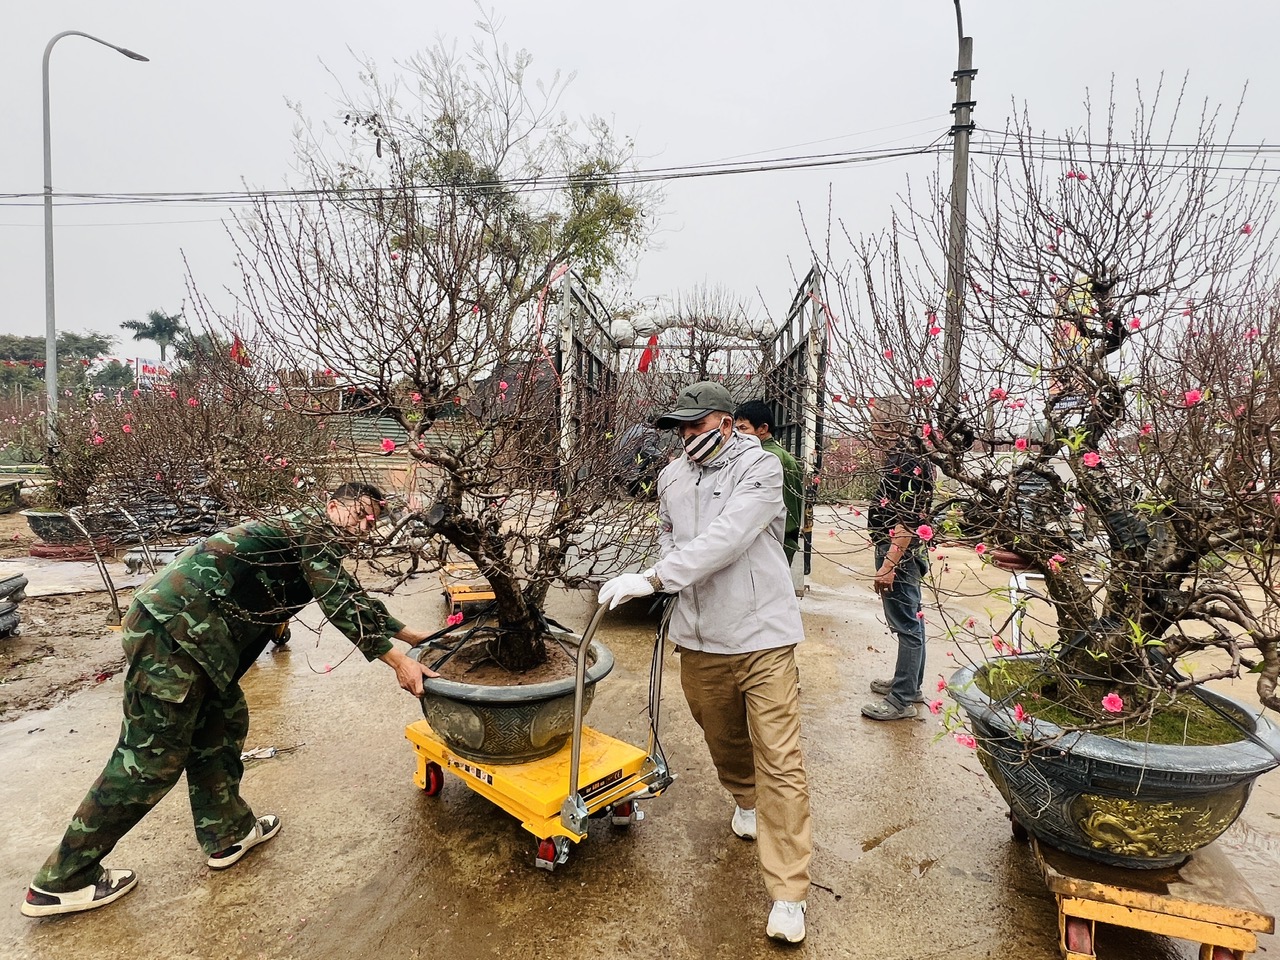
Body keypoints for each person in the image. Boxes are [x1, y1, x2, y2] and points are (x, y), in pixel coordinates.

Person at [21, 482, 437, 918]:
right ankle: (62, 881)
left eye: (375, 518)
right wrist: (397, 661)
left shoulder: (312, 535)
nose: (367, 524)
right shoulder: (312, 528)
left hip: (197, 637)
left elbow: (347, 593)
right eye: (362, 512)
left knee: (222, 723)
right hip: (174, 632)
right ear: (333, 506)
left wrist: (410, 635)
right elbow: (336, 599)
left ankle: (229, 834)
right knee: (149, 759)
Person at [598, 381, 812, 944]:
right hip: (698, 636)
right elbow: (673, 535)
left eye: (696, 425)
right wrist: (661, 563)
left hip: (762, 635)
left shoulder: (760, 470)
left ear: (725, 420)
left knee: (782, 759)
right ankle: (743, 797)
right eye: (680, 428)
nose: (687, 436)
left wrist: (653, 578)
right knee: (720, 735)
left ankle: (788, 894)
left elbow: (727, 538)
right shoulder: (671, 476)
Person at [862, 398, 935, 722]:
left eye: (877, 424)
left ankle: (901, 699)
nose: (873, 430)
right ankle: (909, 684)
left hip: (900, 551)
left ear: (893, 427)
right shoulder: (909, 457)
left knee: (907, 625)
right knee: (913, 621)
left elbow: (907, 519)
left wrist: (889, 564)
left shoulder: (907, 461)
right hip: (903, 549)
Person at [733, 399, 804, 565]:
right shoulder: (778, 456)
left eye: (743, 428)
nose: (738, 434)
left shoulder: (767, 459)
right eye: (736, 429)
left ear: (763, 429)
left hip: (768, 548)